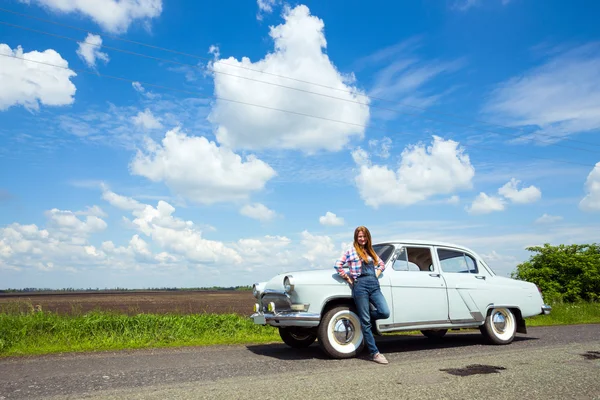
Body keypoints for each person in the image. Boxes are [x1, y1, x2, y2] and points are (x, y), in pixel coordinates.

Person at [334, 226, 390, 365]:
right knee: (366, 323)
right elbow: (338, 265)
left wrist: (376, 274)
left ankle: (362, 318)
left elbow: (381, 264)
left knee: (384, 312)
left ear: (368, 237)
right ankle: (375, 353)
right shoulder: (351, 251)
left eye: (364, 237)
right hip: (360, 286)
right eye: (360, 237)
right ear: (356, 237)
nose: (362, 239)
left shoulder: (371, 251)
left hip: (374, 285)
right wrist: (349, 279)